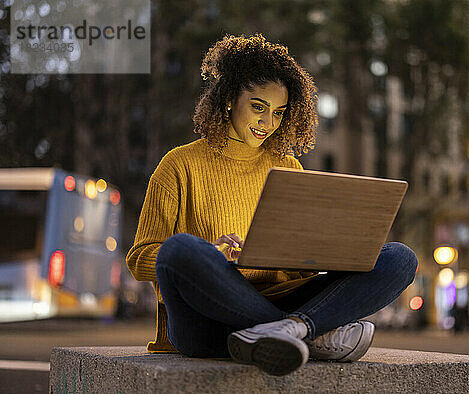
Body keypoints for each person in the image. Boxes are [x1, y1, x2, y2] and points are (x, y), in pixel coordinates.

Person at [126, 34, 418, 376]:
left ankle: (289, 330)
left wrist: (324, 253)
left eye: (279, 112)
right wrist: (212, 253)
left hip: (283, 297)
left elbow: (301, 273)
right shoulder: (178, 165)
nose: (268, 123)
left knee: (400, 259)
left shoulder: (287, 167)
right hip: (206, 322)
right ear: (228, 101)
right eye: (258, 107)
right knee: (179, 250)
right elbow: (140, 258)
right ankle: (308, 332)